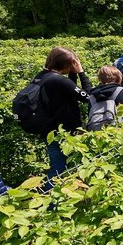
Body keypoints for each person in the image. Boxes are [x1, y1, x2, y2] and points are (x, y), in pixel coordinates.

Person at [33, 47, 92, 188]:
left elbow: (69, 92)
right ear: (66, 64)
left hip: (49, 130)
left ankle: (58, 199)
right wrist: (81, 73)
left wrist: (72, 75)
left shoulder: (41, 76)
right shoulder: (59, 81)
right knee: (63, 170)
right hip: (65, 133)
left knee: (58, 167)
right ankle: (52, 203)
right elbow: (89, 96)